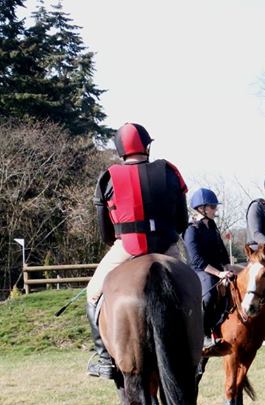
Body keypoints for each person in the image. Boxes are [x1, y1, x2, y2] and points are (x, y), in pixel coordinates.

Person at [85, 122, 188, 379]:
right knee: (192, 289)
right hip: (166, 247)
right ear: (148, 146)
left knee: (93, 293)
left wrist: (119, 241)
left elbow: (104, 231)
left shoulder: (109, 177)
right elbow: (182, 221)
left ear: (121, 150)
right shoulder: (169, 171)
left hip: (127, 247)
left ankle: (104, 357)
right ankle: (199, 344)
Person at [183, 188, 240, 350]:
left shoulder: (212, 225)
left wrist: (228, 267)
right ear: (202, 208)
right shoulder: (191, 230)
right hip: (200, 271)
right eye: (213, 207)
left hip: (218, 268)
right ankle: (203, 335)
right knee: (209, 294)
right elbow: (197, 260)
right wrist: (219, 273)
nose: (216, 210)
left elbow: (221, 251)